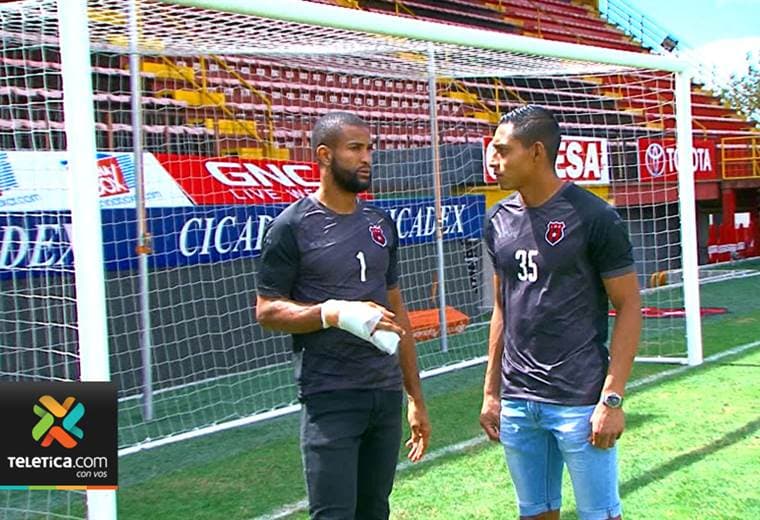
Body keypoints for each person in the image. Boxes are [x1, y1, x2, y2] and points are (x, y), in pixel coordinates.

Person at [255, 111, 431, 520]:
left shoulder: (381, 223)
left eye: (369, 148)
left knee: (375, 511)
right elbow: (267, 310)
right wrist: (333, 313)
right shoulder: (291, 226)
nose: (366, 157)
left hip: (384, 395)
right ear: (324, 155)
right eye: (355, 148)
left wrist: (415, 398)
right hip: (330, 396)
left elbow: (397, 311)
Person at [479, 105, 641, 520]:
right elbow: (502, 307)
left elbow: (628, 307)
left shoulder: (593, 216)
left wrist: (613, 397)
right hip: (518, 400)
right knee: (534, 514)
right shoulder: (497, 219)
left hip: (579, 401)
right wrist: (491, 392)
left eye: (502, 149)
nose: (492, 159)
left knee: (600, 515)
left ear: (536, 152)